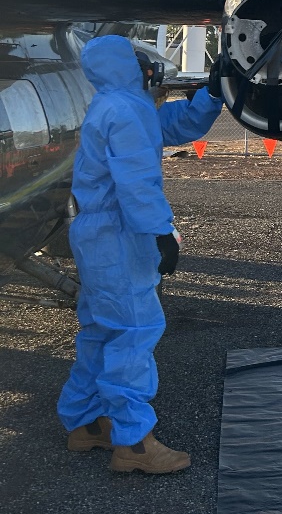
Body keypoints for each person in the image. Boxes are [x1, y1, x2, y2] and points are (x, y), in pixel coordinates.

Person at [58, 35, 224, 474]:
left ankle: (86, 423)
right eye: (137, 59)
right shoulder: (127, 110)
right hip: (118, 233)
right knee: (134, 329)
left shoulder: (120, 105)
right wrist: (160, 232)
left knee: (99, 329)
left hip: (97, 232)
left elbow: (177, 124)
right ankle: (132, 443)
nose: (147, 65)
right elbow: (135, 181)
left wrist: (211, 94)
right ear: (124, 65)